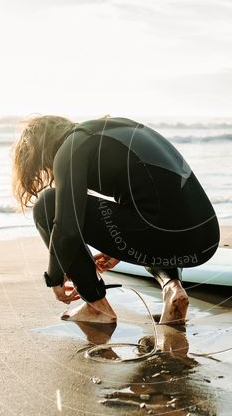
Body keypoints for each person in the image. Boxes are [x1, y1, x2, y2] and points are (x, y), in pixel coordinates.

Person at [12, 115, 220, 325]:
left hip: (162, 232)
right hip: (204, 239)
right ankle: (172, 288)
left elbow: (68, 228)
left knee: (46, 205)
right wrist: (118, 244)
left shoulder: (71, 148)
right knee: (159, 215)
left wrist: (54, 277)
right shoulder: (114, 129)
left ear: (39, 150)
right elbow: (161, 197)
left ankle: (96, 306)